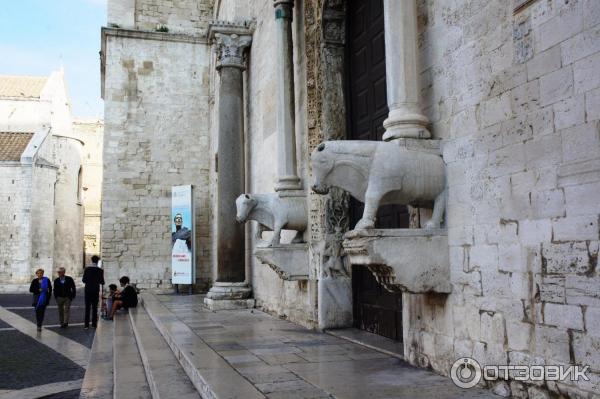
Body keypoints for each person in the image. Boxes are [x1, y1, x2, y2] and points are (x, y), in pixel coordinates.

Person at [82, 255, 104, 329]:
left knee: (87, 308)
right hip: (95, 291)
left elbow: (83, 280)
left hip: (87, 290)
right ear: (98, 261)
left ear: (91, 260)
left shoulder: (87, 269)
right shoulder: (100, 270)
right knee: (94, 308)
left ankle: (86, 325)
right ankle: (94, 324)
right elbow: (102, 282)